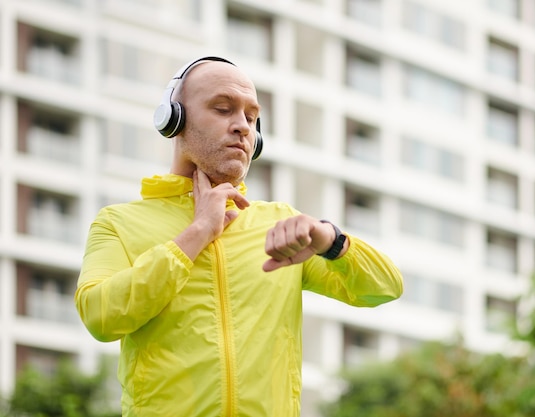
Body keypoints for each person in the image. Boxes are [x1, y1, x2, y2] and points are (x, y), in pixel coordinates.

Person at [75, 56, 403, 417]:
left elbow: (385, 288)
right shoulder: (117, 223)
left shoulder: (280, 224)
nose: (243, 127)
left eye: (251, 117)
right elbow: (101, 317)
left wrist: (329, 239)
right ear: (174, 118)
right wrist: (198, 233)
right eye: (223, 109)